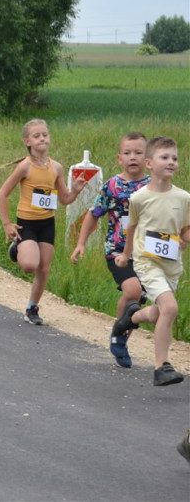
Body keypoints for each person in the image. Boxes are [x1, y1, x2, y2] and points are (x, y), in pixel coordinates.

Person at [112, 136, 189, 386]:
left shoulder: (184, 198)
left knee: (158, 313)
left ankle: (131, 317)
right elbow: (131, 228)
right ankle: (161, 367)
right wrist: (126, 255)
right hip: (147, 262)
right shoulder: (139, 198)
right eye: (164, 157)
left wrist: (185, 237)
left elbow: (185, 229)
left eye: (174, 158)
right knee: (170, 308)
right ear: (149, 163)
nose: (171, 162)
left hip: (172, 265)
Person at [0, 119, 88, 325]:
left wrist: (75, 191)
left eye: (45, 135)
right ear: (27, 141)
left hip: (47, 223)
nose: (42, 139)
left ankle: (32, 308)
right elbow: (3, 193)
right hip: (26, 223)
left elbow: (64, 199)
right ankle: (17, 247)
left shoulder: (56, 167)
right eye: (36, 136)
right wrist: (7, 224)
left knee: (43, 268)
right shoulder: (24, 167)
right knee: (29, 265)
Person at [70, 132, 148, 368]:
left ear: (148, 158)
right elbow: (93, 216)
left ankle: (121, 338)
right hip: (117, 250)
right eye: (127, 153)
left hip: (146, 253)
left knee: (138, 299)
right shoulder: (112, 186)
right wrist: (81, 243)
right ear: (119, 158)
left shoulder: (154, 186)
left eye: (138, 153)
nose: (132, 157)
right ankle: (119, 330)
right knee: (133, 290)